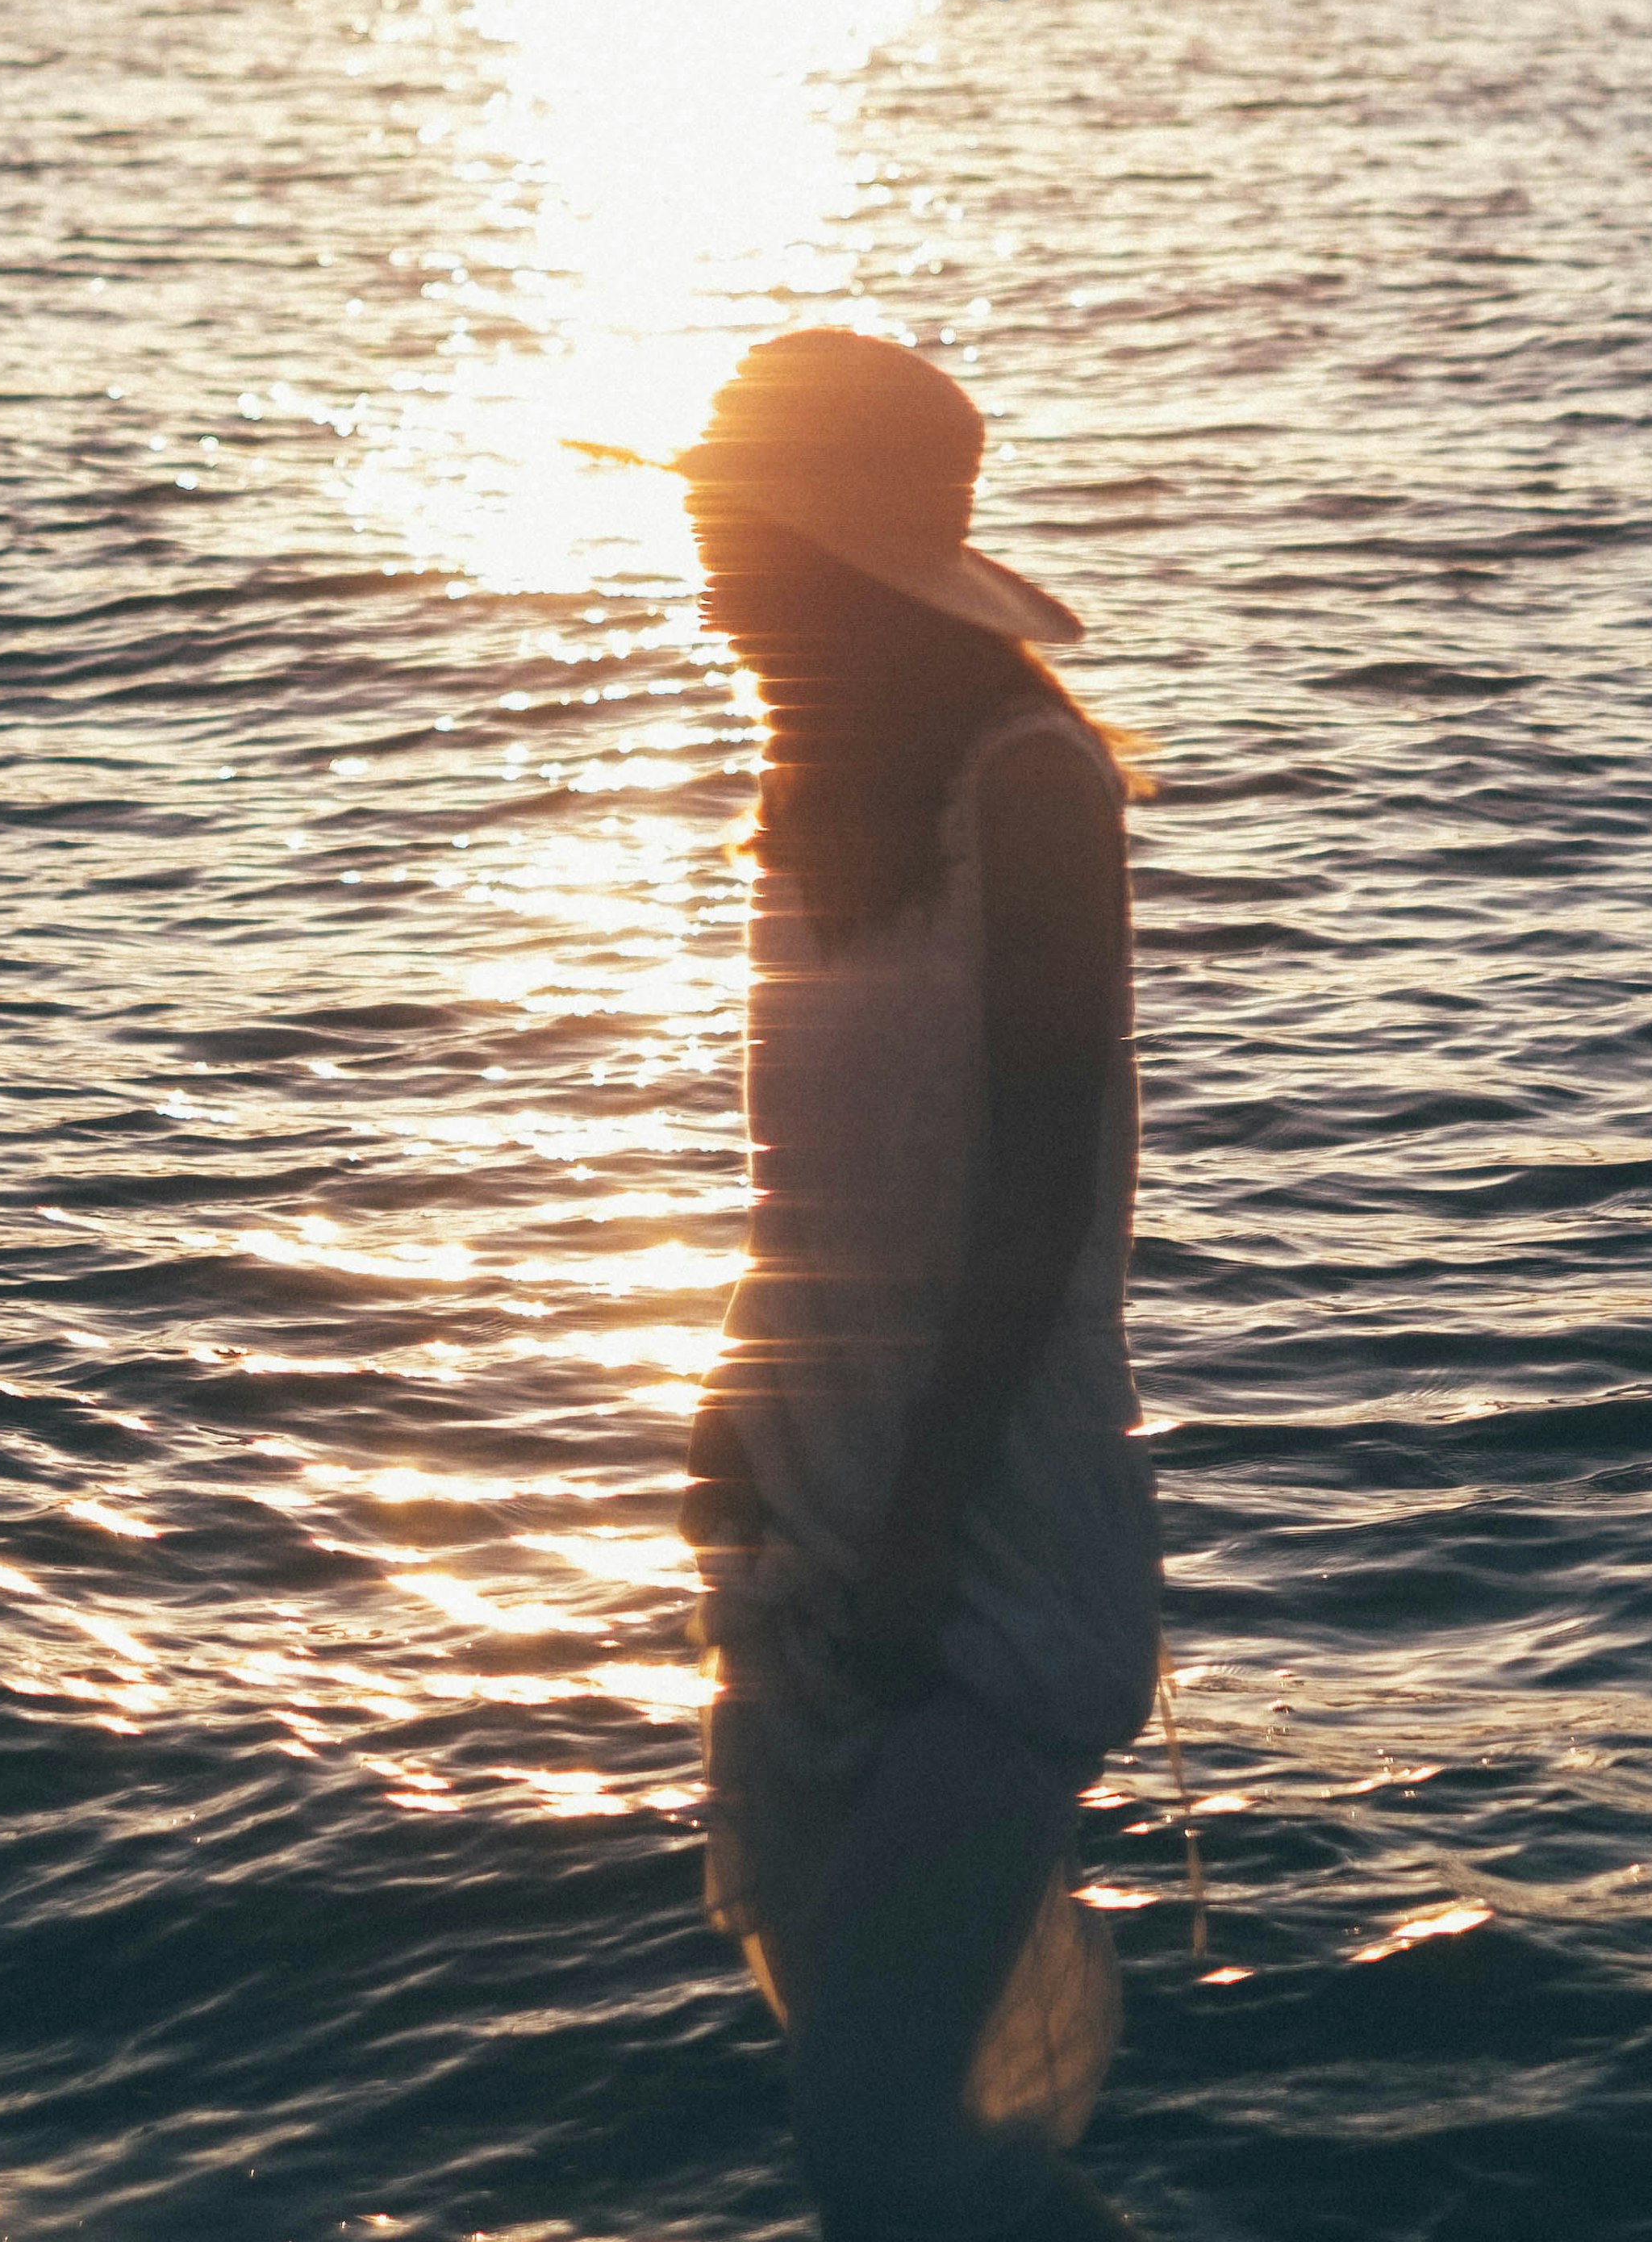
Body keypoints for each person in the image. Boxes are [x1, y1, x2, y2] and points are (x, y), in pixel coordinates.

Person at [623, 330, 1163, 2240]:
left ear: (825, 549)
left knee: (873, 2142)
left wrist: (928, 1517)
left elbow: (1035, 1177)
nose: (700, 566)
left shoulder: (1026, 782)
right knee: (871, 2114)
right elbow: (808, 1195)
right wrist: (731, 1423)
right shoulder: (808, 793)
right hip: (823, 1495)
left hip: (985, 1514)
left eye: (728, 527)